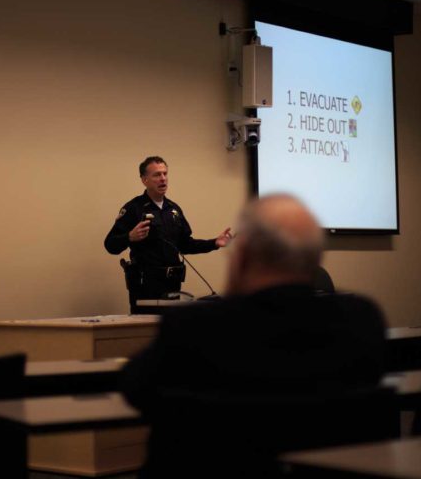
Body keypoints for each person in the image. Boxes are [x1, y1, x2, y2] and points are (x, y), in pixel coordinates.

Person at [121, 195, 387, 477]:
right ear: (317, 259)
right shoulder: (360, 319)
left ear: (243, 255)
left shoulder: (194, 326)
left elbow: (135, 388)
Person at [104, 156, 232, 309]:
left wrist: (215, 243)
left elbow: (185, 245)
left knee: (170, 329)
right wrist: (129, 237)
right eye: (157, 175)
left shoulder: (173, 209)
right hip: (145, 286)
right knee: (147, 331)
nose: (163, 179)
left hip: (172, 285)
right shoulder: (134, 208)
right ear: (144, 180)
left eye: (165, 174)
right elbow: (110, 245)